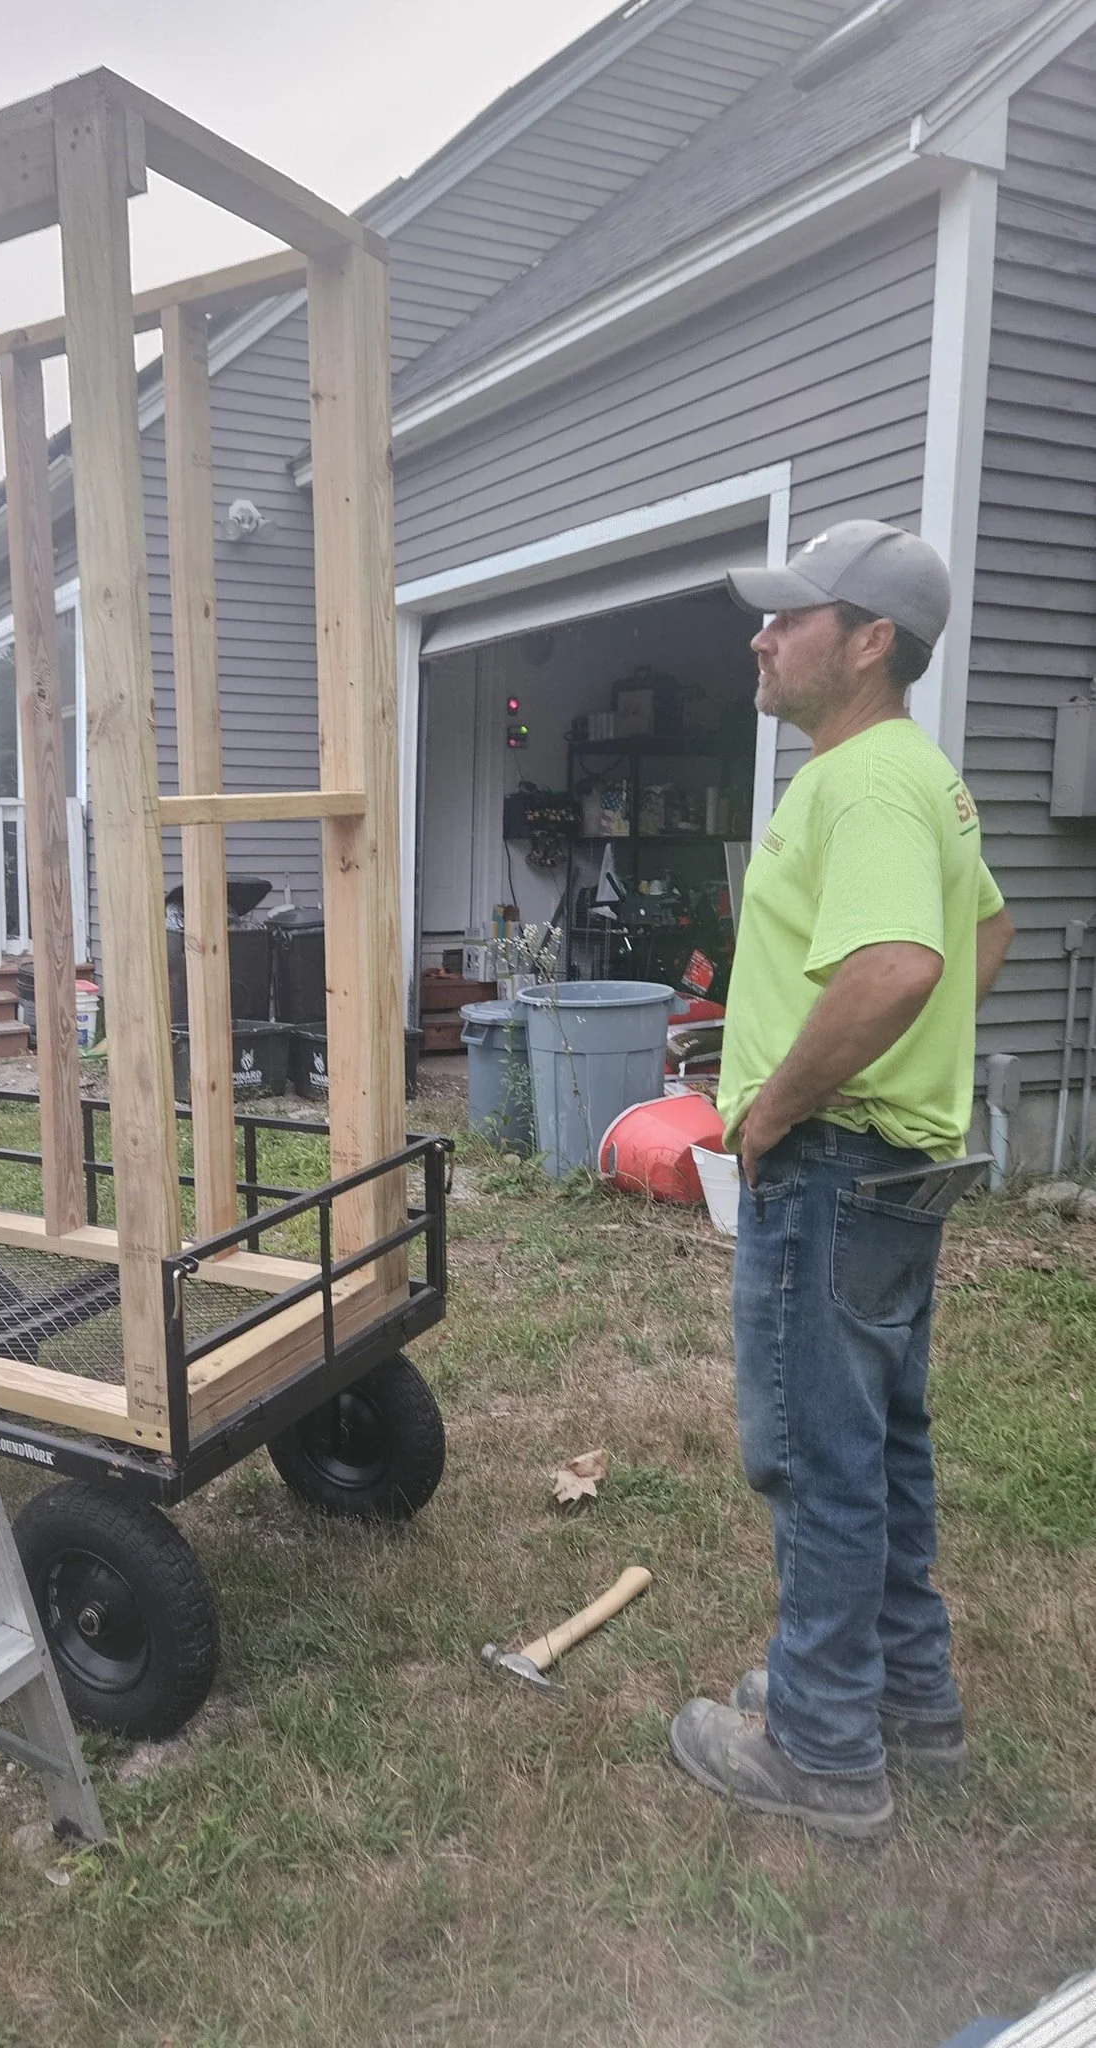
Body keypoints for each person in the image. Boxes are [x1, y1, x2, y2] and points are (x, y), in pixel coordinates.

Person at [667, 520, 1015, 1842]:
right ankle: (903, 1706)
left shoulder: (861, 783)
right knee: (884, 1446)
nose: (759, 634)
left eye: (788, 615)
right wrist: (907, 1073)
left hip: (832, 1163)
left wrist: (769, 1117)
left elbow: (898, 965)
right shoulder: (919, 778)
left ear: (869, 643)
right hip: (900, 1164)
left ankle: (818, 1747)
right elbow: (981, 928)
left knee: (818, 1458)